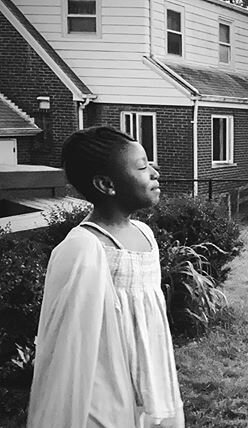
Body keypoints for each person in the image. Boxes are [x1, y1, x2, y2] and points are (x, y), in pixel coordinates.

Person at [27, 126, 184, 428]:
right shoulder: (83, 248)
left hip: (152, 380)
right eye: (142, 166)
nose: (154, 172)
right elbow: (67, 340)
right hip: (103, 394)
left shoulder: (145, 234)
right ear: (106, 183)